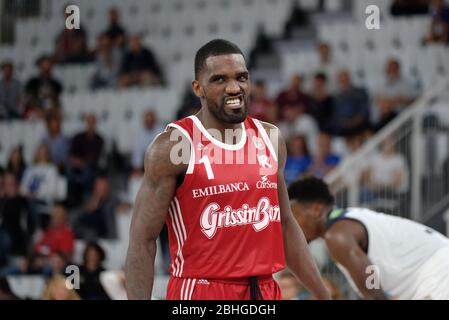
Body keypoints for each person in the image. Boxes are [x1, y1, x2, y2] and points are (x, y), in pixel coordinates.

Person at [125, 39, 330, 300]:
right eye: (220, 79)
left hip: (264, 290)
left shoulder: (270, 138)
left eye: (241, 77)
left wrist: (324, 296)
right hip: (201, 291)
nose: (234, 88)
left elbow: (287, 225)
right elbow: (142, 241)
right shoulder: (174, 147)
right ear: (198, 88)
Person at [288, 176, 449, 300]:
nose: (291, 224)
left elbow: (373, 293)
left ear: (316, 210)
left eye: (295, 215)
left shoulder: (337, 236)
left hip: (438, 274)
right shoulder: (348, 220)